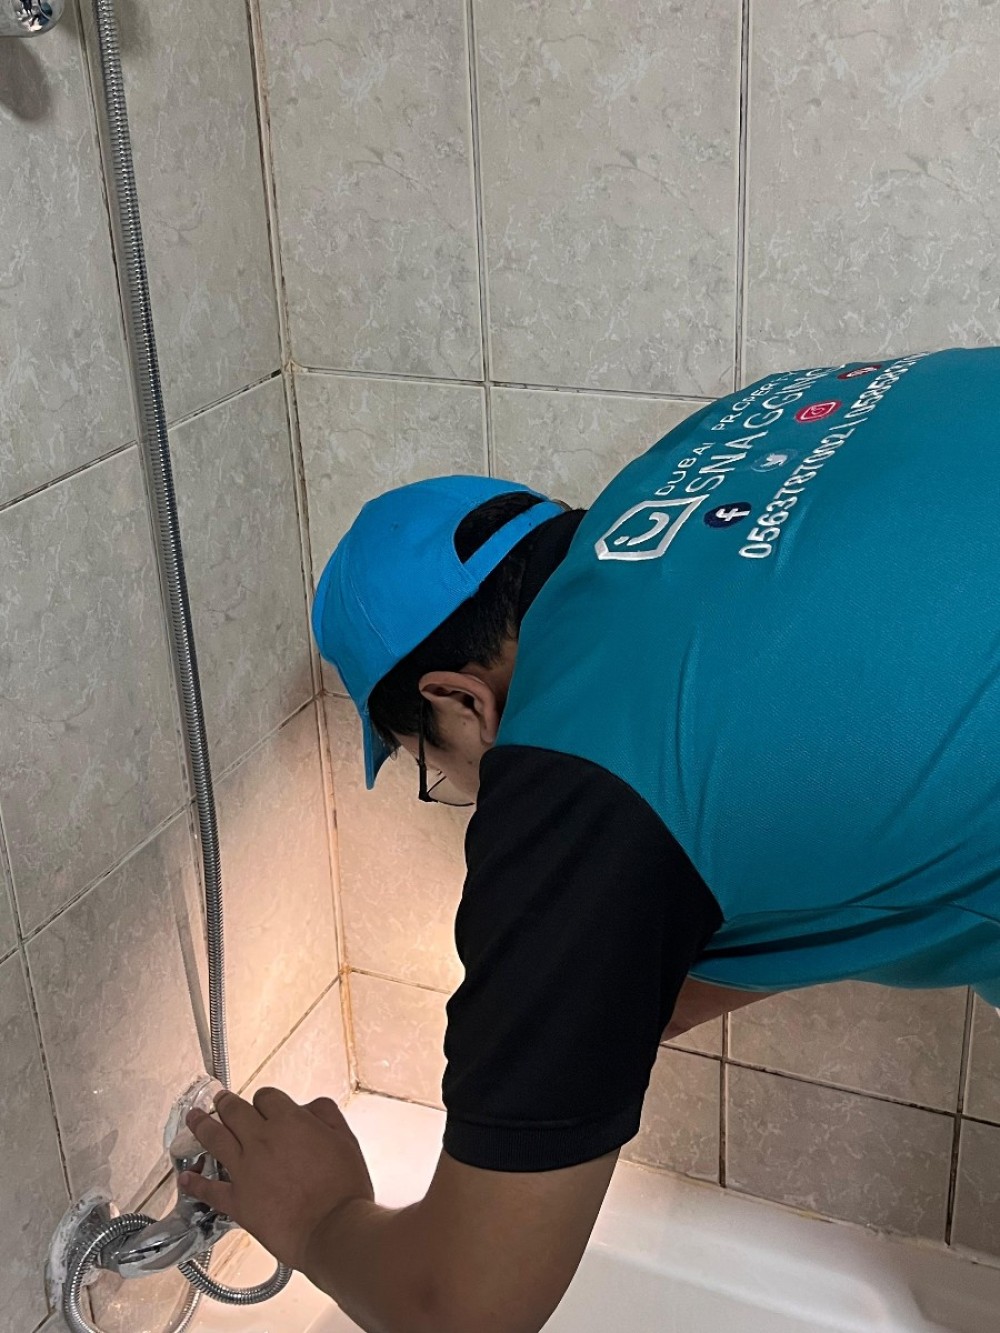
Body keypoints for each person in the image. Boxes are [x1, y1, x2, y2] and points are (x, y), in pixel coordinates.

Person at [183, 346, 1000, 1333]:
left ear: (460, 700)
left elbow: (463, 1309)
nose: (473, 793)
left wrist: (316, 1216)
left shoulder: (575, 764)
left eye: (436, 767)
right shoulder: (693, 470)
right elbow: (882, 784)